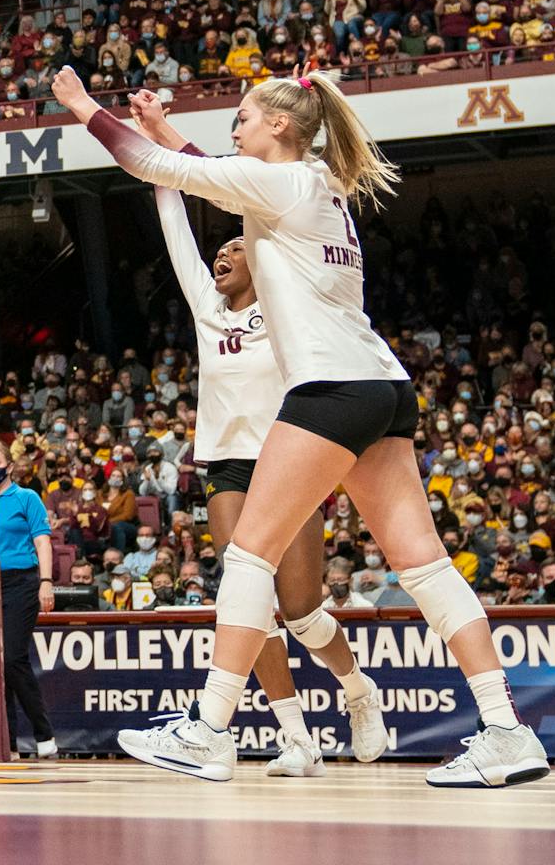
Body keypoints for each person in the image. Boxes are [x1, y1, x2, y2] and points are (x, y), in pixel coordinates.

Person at [57, 64, 547, 787]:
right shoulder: (312, 186)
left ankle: (210, 730)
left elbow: (150, 167)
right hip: (383, 385)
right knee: (425, 566)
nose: (236, 130)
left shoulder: (286, 184)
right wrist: (164, 127)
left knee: (250, 556)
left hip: (330, 387)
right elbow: (201, 170)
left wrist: (82, 107)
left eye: (244, 120)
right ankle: (506, 730)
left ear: (280, 126)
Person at [132, 89, 387, 775]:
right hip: (225, 462)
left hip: (287, 451)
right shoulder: (204, 306)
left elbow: (231, 187)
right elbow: (175, 206)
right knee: (243, 594)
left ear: (260, 256)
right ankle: (294, 735)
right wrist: (156, 140)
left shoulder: (282, 296)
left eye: (235, 247)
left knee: (302, 611)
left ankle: (358, 691)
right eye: (219, 251)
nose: (222, 257)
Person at [0, 441, 57, 758]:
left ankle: (44, 735)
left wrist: (46, 581)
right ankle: (9, 743)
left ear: (9, 466)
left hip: (23, 581)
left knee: (14, 658)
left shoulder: (26, 497)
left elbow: (42, 542)